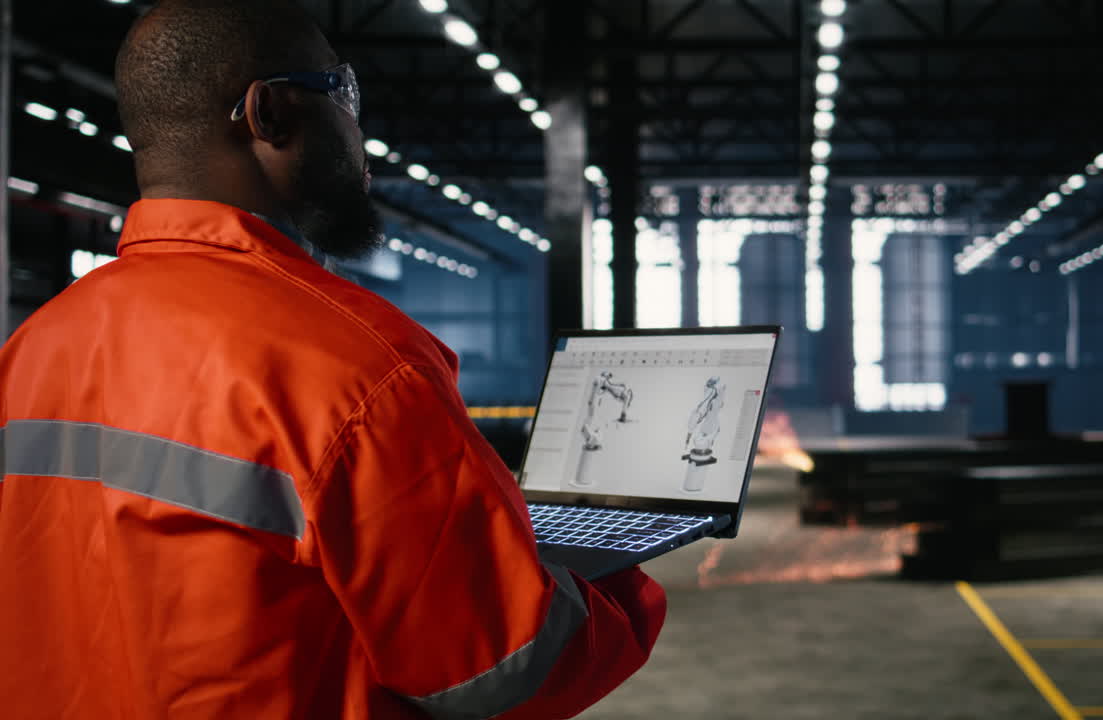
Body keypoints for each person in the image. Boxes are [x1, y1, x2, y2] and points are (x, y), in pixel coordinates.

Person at [0, 1, 666, 717]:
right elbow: (509, 667)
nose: (357, 130)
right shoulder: (362, 369)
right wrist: (615, 573)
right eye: (342, 93)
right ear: (270, 113)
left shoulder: (33, 346)